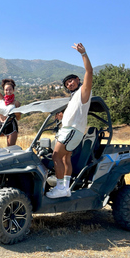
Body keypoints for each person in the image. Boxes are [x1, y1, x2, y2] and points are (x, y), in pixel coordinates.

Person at [46, 43, 93, 199]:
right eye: (67, 84)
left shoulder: (83, 91)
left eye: (71, 81)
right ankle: (65, 187)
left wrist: (83, 53)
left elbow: (89, 71)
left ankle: (60, 188)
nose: (69, 84)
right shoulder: (73, 98)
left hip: (72, 130)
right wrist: (62, 117)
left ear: (78, 80)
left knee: (56, 156)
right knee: (66, 158)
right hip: (69, 128)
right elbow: (73, 113)